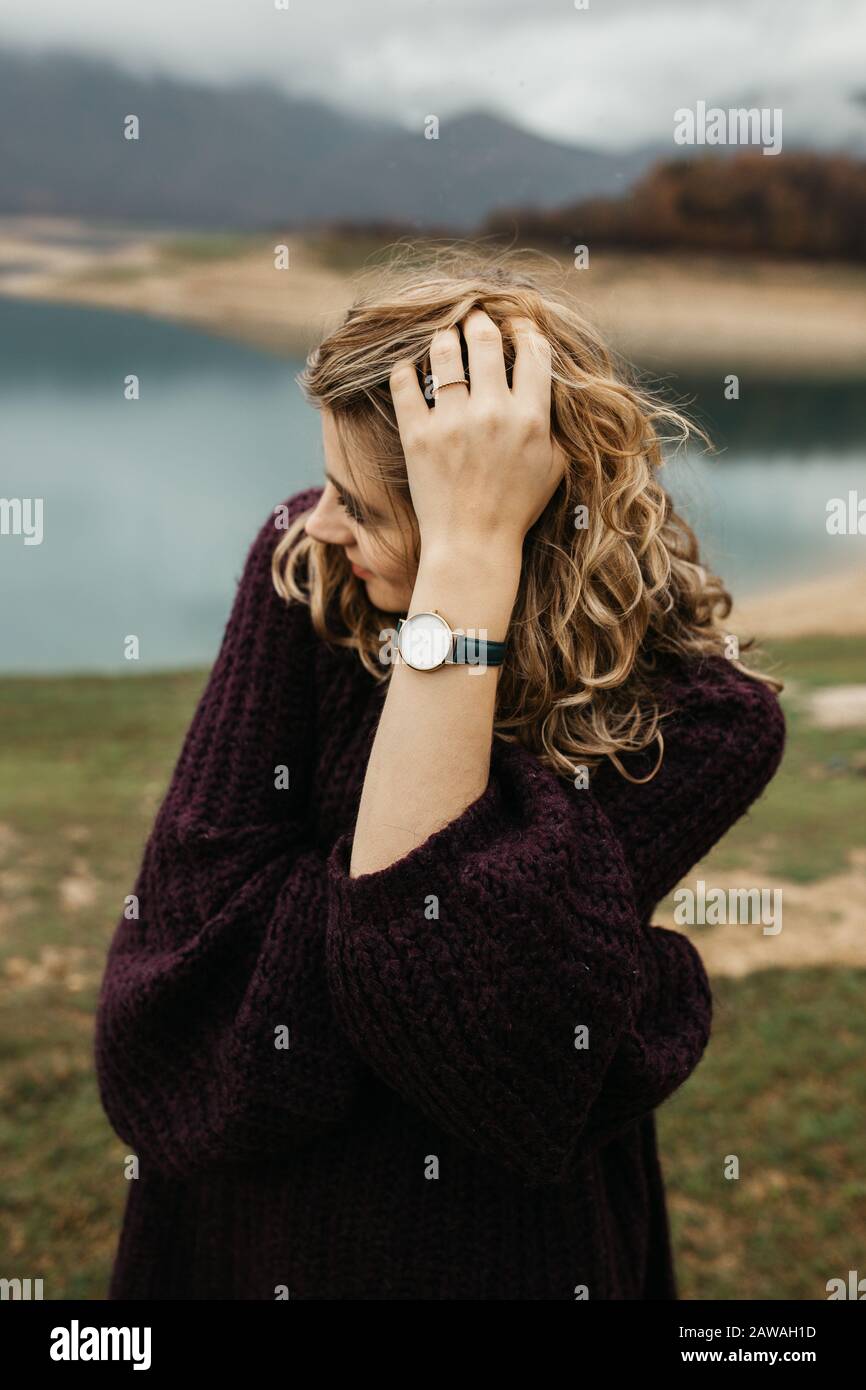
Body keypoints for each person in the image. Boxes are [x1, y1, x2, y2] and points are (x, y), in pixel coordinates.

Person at [95, 248, 786, 1300]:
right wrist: (607, 990)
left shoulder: (701, 722)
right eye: (324, 484)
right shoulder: (307, 573)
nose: (322, 522)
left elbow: (466, 1035)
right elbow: (164, 1020)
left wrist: (462, 579)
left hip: (504, 1260)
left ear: (499, 517)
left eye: (361, 506)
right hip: (241, 1234)